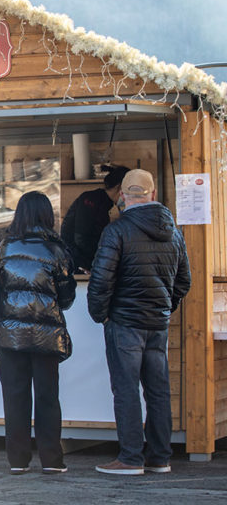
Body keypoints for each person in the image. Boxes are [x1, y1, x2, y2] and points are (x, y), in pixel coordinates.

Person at [88, 169, 190, 475]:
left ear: (122, 196)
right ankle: (160, 457)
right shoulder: (173, 232)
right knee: (158, 391)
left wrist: (101, 314)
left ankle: (131, 458)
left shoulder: (116, 231)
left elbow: (101, 281)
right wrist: (164, 307)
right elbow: (183, 281)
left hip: (124, 322)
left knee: (127, 390)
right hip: (157, 323)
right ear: (153, 194)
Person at [0, 191, 76, 475]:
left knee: (14, 398)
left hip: (9, 335)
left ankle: (17, 461)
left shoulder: (4, 247)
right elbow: (66, 298)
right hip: (46, 336)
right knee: (47, 398)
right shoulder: (56, 249)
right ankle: (51, 460)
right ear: (46, 216)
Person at [60, 165, 130, 272]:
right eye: (129, 190)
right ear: (120, 186)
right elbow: (81, 239)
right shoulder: (91, 200)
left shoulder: (104, 203)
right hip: (77, 264)